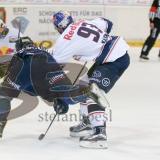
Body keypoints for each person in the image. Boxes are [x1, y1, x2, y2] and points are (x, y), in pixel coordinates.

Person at [0, 36, 108, 143]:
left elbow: (12, 75)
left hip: (24, 64)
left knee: (4, 94)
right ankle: (87, 91)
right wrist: (59, 101)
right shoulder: (46, 52)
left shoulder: (18, 54)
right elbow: (56, 83)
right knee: (65, 93)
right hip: (48, 64)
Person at [51, 11, 130, 148]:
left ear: (58, 26)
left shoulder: (65, 39)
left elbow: (54, 66)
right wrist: (92, 45)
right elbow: (108, 23)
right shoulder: (82, 23)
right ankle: (87, 123)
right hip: (112, 54)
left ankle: (100, 134)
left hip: (114, 59)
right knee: (83, 84)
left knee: (92, 91)